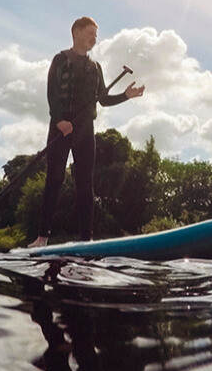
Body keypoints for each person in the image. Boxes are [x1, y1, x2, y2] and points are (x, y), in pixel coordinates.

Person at [28, 17, 144, 247]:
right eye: (90, 33)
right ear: (76, 33)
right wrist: (59, 120)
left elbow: (103, 100)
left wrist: (126, 96)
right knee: (54, 179)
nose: (94, 39)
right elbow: (52, 93)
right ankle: (42, 238)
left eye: (96, 35)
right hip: (60, 128)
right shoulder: (60, 59)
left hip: (84, 130)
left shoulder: (95, 67)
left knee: (84, 183)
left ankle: (86, 240)